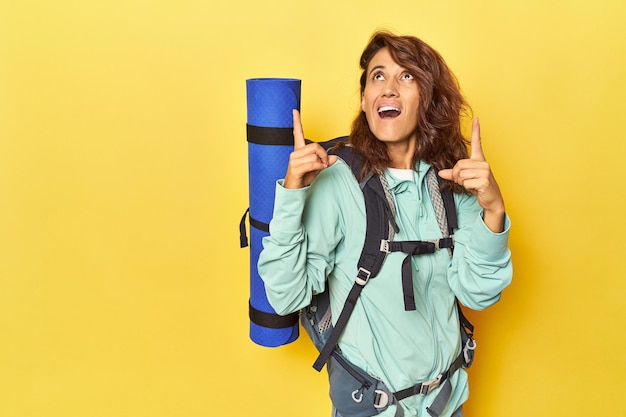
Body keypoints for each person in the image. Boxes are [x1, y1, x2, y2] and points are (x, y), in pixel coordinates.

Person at [258, 30, 512, 417]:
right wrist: (292, 196)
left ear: (427, 97)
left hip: (447, 404)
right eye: (378, 76)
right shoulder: (338, 181)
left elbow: (478, 295)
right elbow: (286, 298)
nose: (389, 88)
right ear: (364, 100)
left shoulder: (452, 182)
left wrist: (493, 212)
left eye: (406, 76)